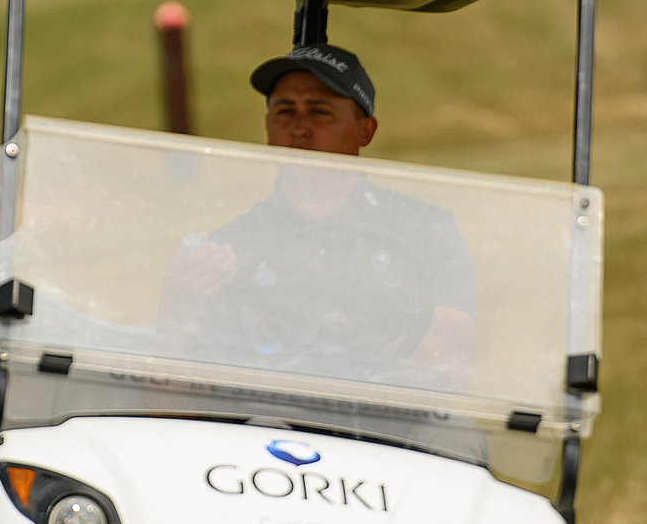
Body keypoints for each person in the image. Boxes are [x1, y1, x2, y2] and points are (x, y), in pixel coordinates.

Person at [156, 43, 476, 386]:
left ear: (365, 131)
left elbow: (449, 361)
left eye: (319, 112)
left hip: (385, 411)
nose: (299, 128)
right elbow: (174, 397)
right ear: (267, 127)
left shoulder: (425, 229)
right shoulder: (228, 250)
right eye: (285, 112)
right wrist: (177, 306)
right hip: (268, 411)